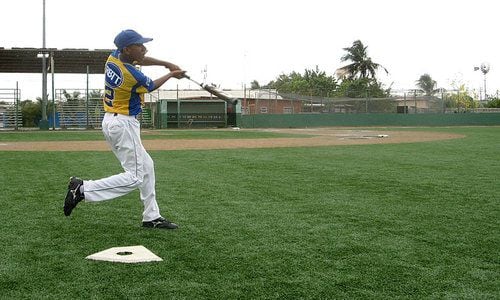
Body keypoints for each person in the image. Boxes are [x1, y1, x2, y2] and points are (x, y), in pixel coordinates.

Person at [63, 29, 185, 229]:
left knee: (147, 166)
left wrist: (166, 63)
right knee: (135, 176)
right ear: (127, 49)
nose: (144, 48)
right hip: (123, 123)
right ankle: (83, 189)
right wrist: (171, 73)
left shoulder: (114, 57)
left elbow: (140, 59)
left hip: (114, 121)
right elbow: (151, 85)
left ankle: (151, 216)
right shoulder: (132, 75)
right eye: (139, 45)